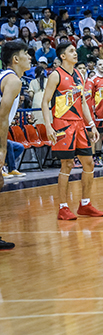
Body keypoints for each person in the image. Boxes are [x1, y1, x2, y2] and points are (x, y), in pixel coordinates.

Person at [41, 41, 103, 220]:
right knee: (66, 164)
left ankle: (85, 204)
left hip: (79, 125)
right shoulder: (55, 76)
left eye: (75, 51)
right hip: (63, 125)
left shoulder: (78, 74)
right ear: (62, 56)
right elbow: (45, 102)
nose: (75, 53)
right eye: (71, 51)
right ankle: (63, 208)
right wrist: (48, 125)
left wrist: (91, 124)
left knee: (89, 163)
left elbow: (83, 102)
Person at [0, 41, 32, 248]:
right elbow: (2, 118)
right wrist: (2, 150)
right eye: (26, 54)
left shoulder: (5, 76)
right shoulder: (13, 80)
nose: (30, 57)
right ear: (16, 59)